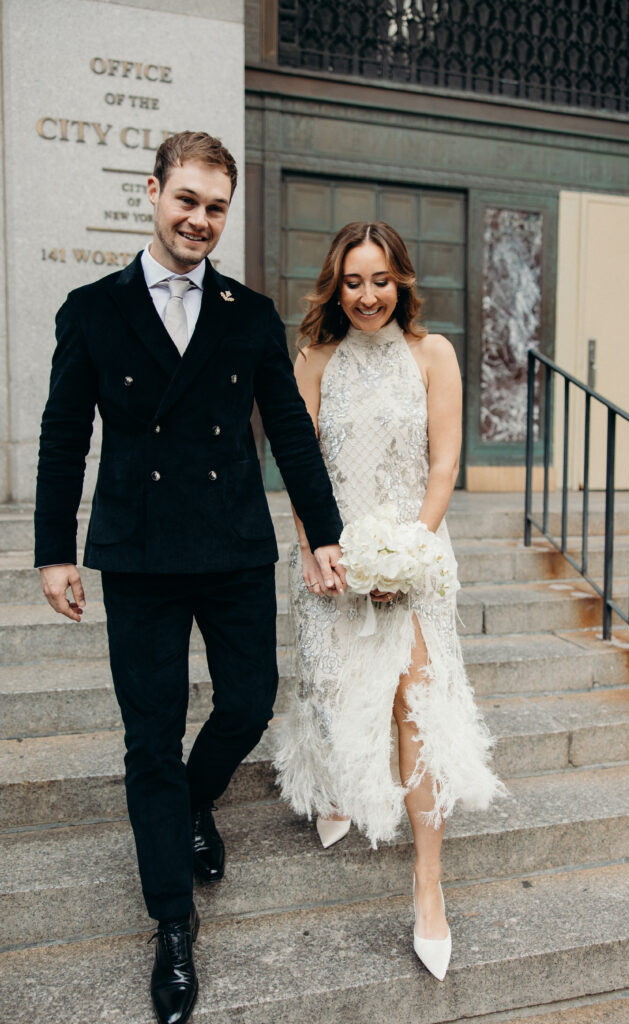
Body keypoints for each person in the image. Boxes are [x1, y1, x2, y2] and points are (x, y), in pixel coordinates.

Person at [34, 131, 345, 1024]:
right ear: (153, 192)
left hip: (235, 545)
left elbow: (289, 428)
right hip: (137, 554)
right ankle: (173, 925)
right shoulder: (91, 309)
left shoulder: (249, 313)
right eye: (187, 201)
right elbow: (64, 437)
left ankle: (190, 805)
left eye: (215, 207)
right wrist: (56, 550)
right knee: (150, 739)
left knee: (249, 701)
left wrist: (322, 533)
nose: (200, 220)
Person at [275, 221, 505, 981]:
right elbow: (298, 460)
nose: (367, 296)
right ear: (334, 287)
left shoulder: (431, 355)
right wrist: (316, 546)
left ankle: (427, 885)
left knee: (417, 702)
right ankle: (337, 788)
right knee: (336, 688)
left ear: (401, 281)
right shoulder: (313, 359)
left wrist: (409, 552)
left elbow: (443, 466)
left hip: (412, 554)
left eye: (380, 280)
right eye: (352, 282)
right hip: (332, 559)